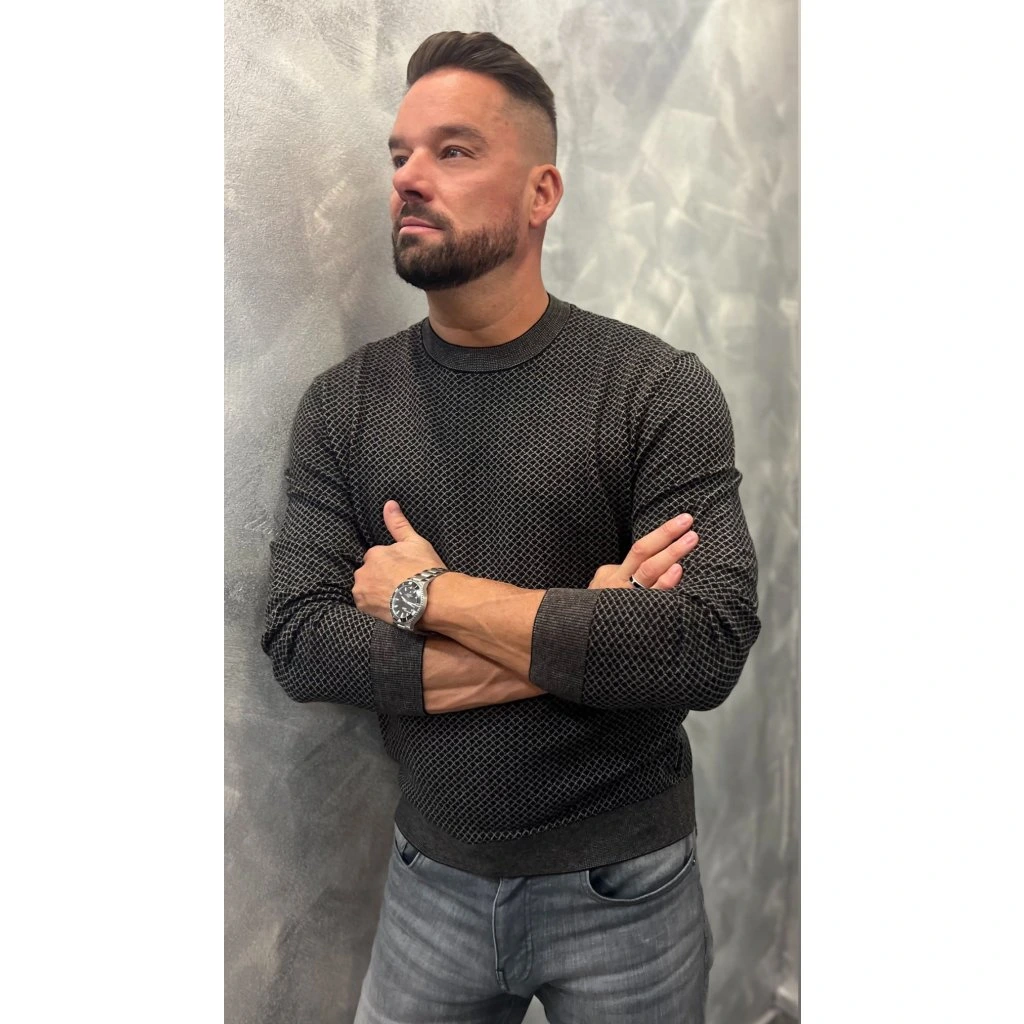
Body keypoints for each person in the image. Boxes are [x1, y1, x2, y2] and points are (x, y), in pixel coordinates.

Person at [260, 29, 761, 1024]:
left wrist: (426, 594)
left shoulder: (655, 389)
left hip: (627, 889)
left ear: (542, 193)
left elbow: (705, 644)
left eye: (453, 150)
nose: (408, 178)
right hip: (428, 883)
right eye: (399, 154)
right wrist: (589, 627)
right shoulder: (342, 406)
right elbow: (301, 640)